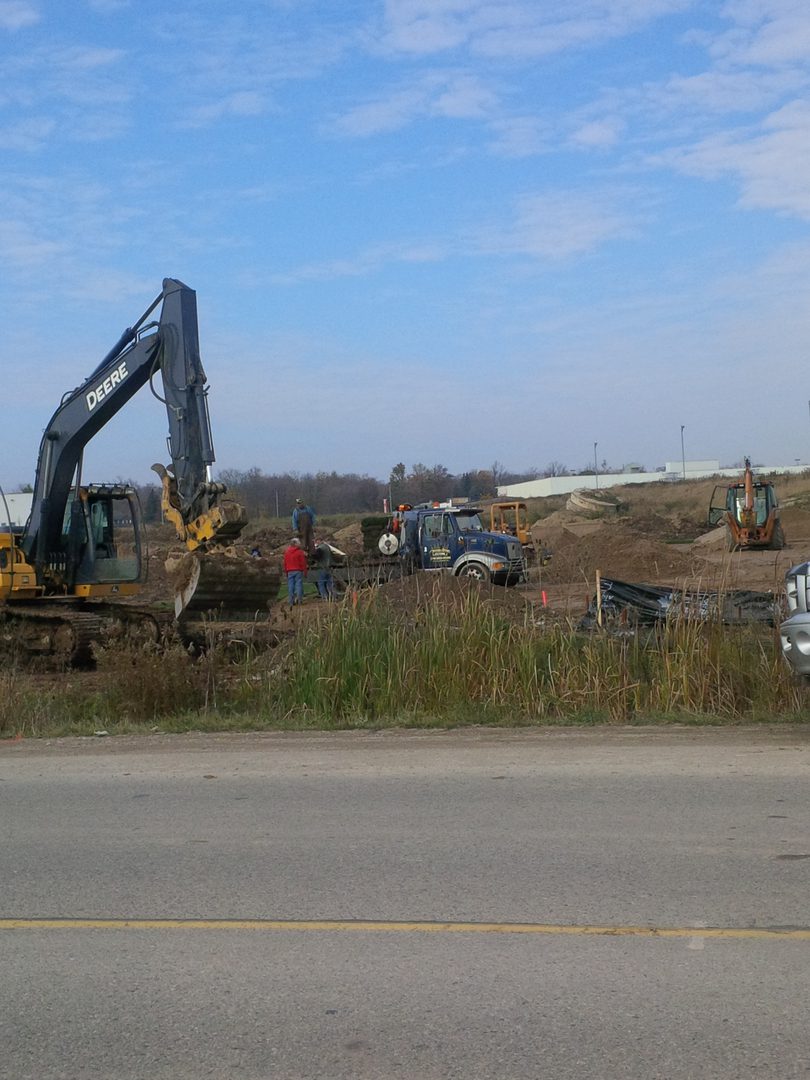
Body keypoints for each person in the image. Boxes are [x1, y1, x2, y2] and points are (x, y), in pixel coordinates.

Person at [283, 536, 308, 607]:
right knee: (298, 585)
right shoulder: (300, 552)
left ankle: (291, 601)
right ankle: (299, 600)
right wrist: (305, 572)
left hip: (289, 571)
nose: (300, 544)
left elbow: (285, 562)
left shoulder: (287, 552)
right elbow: (303, 563)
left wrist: (286, 572)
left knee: (290, 586)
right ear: (295, 544)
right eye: (298, 542)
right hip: (298, 570)